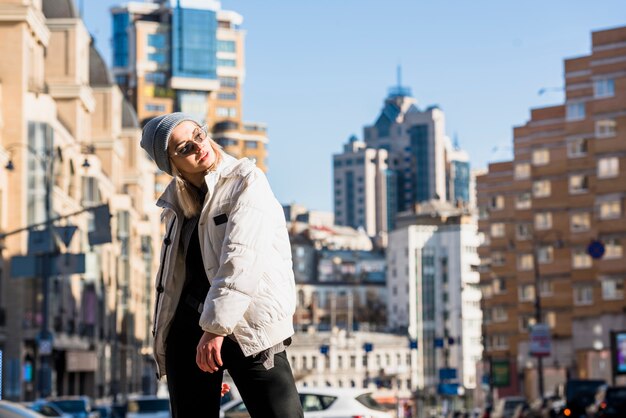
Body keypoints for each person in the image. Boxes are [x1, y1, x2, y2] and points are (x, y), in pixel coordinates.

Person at [141, 113, 303, 418]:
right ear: (171, 163)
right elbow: (173, 282)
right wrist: (167, 343)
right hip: (189, 332)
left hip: (249, 325)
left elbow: (240, 259)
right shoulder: (177, 204)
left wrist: (214, 332)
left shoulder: (246, 180)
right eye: (185, 147)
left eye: (198, 135)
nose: (198, 146)